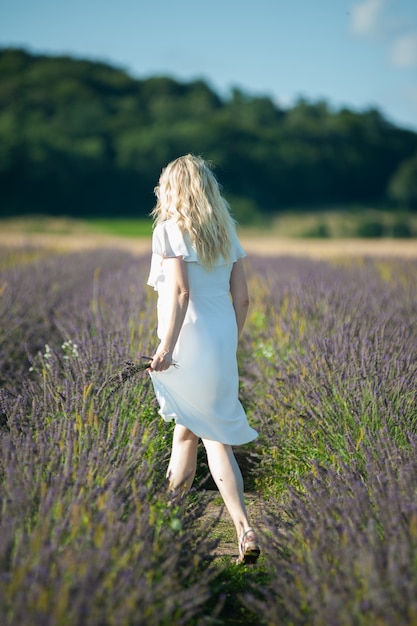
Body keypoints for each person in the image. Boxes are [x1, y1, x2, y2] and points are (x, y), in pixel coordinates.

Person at [147, 154, 260, 564]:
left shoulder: (168, 229)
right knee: (192, 431)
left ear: (172, 188)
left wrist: (166, 348)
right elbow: (243, 298)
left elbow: (178, 294)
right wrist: (229, 341)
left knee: (200, 432)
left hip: (184, 340)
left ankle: (173, 528)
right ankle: (229, 529)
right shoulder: (226, 230)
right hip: (220, 337)